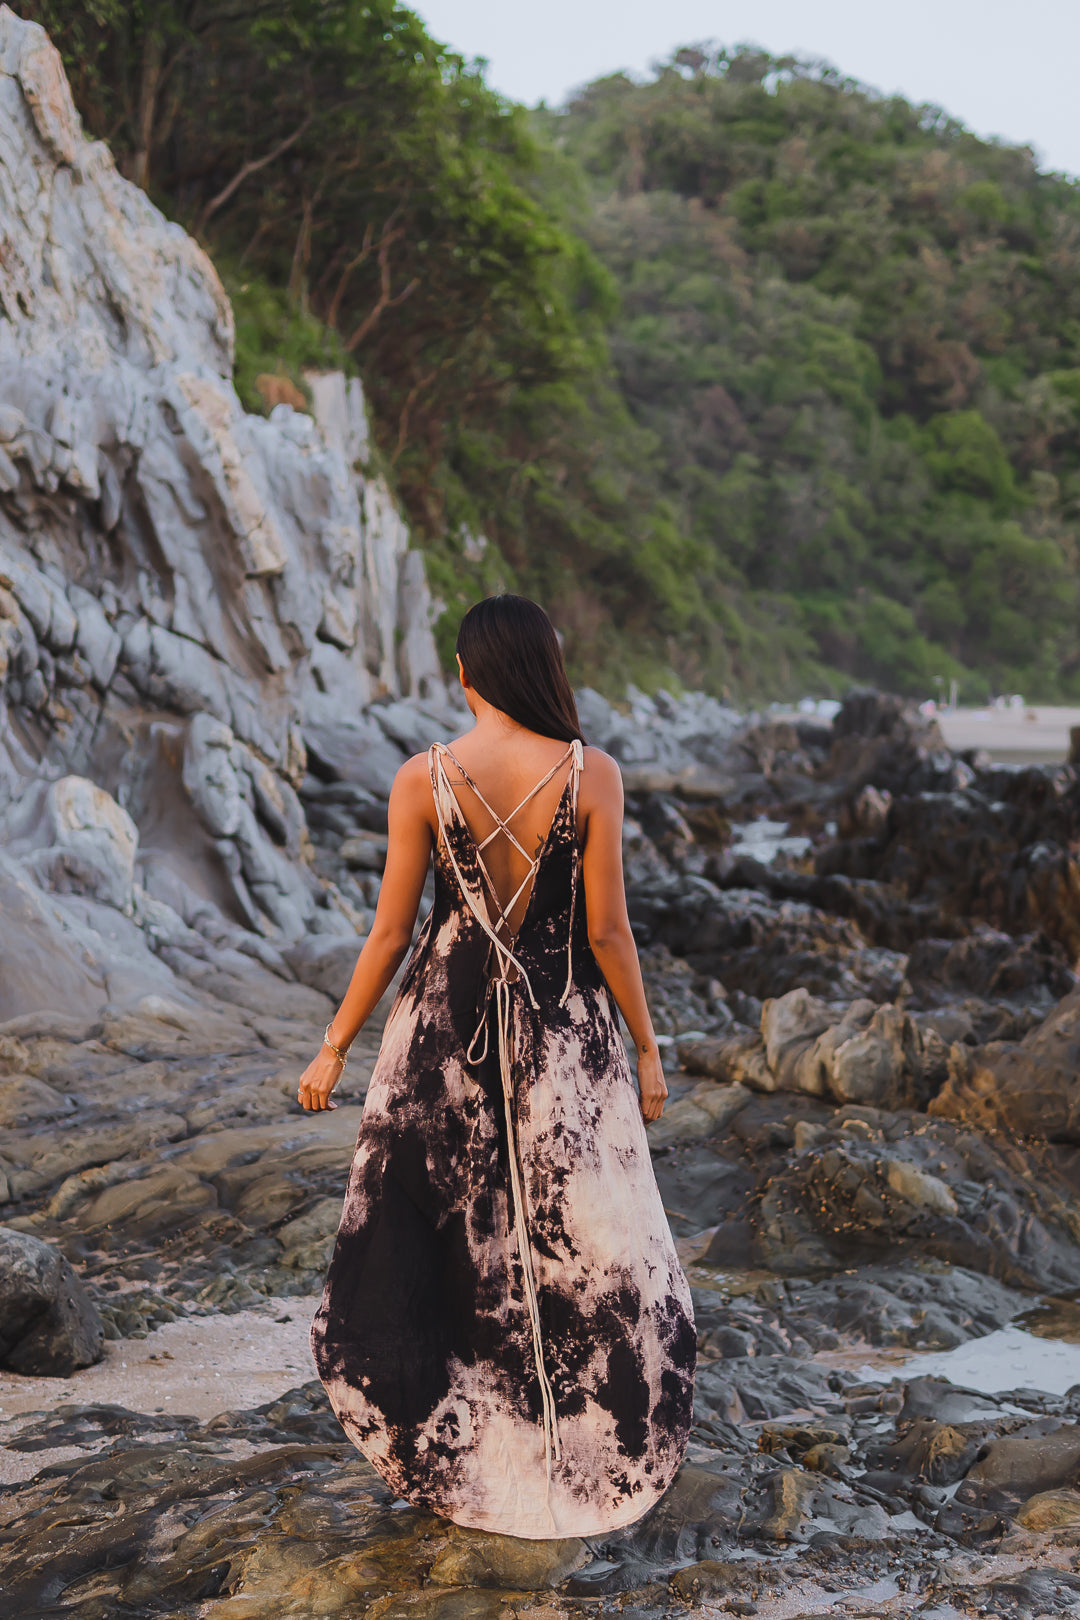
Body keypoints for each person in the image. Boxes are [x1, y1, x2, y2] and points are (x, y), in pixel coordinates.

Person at [305, 595, 696, 1540]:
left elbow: (390, 934)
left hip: (443, 1031)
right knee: (583, 1242)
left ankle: (474, 1455)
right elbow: (609, 932)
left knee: (452, 1237)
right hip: (566, 1032)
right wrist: (648, 1049)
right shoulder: (590, 774)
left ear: (464, 671)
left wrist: (335, 1045)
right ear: (545, 667)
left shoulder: (423, 779)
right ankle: (578, 1452)